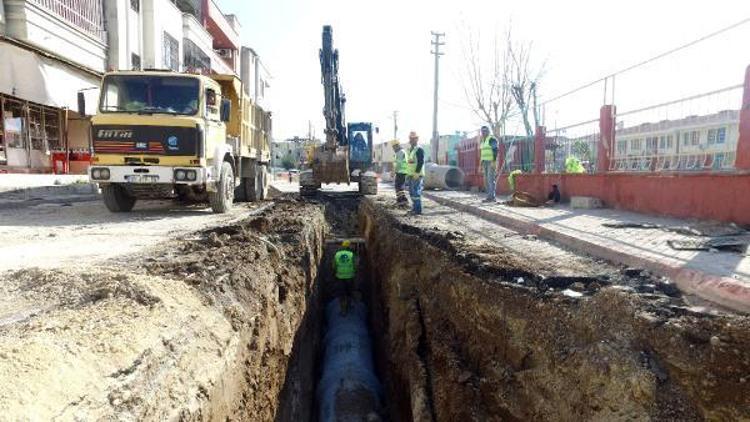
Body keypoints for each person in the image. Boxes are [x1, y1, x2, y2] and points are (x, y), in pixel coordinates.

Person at [333, 240, 356, 313]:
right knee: (349, 291)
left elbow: (334, 266)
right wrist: (354, 271)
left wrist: (336, 272)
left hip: (340, 276)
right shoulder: (352, 254)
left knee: (342, 293)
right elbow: (355, 265)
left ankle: (343, 310)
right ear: (349, 247)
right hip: (350, 276)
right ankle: (350, 304)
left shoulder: (337, 254)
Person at [406, 131, 425, 215]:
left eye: (413, 139)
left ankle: (418, 210)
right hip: (411, 174)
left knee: (416, 192)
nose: (411, 140)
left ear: (416, 139)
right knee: (411, 192)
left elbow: (420, 162)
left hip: (417, 174)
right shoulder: (411, 150)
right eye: (410, 138)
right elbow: (410, 163)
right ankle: (414, 208)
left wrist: (417, 173)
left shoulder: (419, 149)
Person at [480, 126, 499, 202]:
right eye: (482, 131)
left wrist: (494, 161)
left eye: (485, 131)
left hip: (490, 162)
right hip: (484, 162)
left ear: (488, 131)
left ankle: (492, 197)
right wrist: (480, 164)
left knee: (490, 179)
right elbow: (482, 153)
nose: (483, 133)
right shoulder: (483, 141)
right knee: (486, 180)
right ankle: (489, 196)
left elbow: (495, 150)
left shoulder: (492, 139)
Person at [391, 139, 409, 207]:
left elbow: (398, 163)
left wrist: (393, 171)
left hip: (401, 171)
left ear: (397, 146)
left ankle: (403, 200)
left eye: (394, 147)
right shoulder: (400, 152)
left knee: (399, 186)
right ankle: (400, 200)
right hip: (401, 171)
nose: (393, 148)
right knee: (398, 186)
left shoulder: (400, 152)